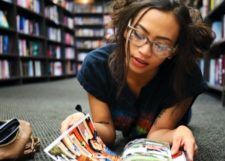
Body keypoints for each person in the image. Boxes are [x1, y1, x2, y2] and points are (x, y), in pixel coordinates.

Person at [61, 1, 213, 161]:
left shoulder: (186, 76)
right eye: (139, 35)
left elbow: (156, 135)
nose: (144, 51)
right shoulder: (97, 66)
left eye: (161, 45)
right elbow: (106, 130)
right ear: (126, 29)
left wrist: (179, 131)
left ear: (173, 51)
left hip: (166, 119)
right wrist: (83, 124)